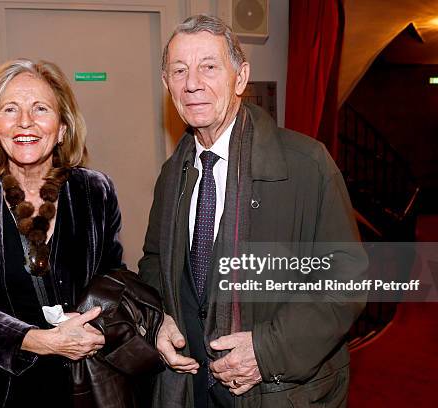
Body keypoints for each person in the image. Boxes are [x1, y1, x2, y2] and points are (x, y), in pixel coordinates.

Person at [139, 15, 368, 408]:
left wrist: (266, 351)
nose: (192, 82)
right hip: (191, 387)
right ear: (167, 85)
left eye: (209, 67)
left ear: (240, 78)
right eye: (179, 70)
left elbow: (346, 279)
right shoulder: (172, 174)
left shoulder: (306, 163)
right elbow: (155, 262)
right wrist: (157, 319)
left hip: (278, 390)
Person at [0, 58, 125, 407]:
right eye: (10, 109)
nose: (25, 122)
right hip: (1, 387)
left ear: (63, 127)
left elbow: (114, 279)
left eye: (40, 108)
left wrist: (92, 322)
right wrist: (41, 340)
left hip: (86, 383)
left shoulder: (95, 190)